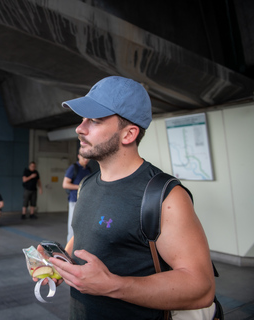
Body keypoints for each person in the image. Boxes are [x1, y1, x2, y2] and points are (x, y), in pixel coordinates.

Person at [34, 76, 215, 319]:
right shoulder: (87, 184)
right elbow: (84, 237)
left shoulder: (165, 196)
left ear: (128, 134)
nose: (80, 128)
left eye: (95, 121)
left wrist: (113, 285)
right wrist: (60, 263)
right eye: (82, 119)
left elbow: (201, 288)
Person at [62, 152, 91, 243]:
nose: (86, 160)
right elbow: (65, 184)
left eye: (88, 158)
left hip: (85, 202)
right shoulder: (73, 168)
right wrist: (80, 186)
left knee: (83, 226)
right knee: (72, 227)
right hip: (74, 201)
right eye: (84, 157)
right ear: (79, 156)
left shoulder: (88, 170)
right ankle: (69, 252)